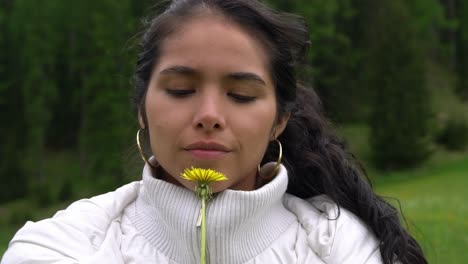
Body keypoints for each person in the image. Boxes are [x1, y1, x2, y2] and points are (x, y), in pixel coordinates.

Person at [2, 0, 427, 263]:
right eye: (181, 90)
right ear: (142, 110)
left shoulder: (340, 247)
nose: (209, 114)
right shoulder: (61, 248)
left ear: (280, 119)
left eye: (241, 95)